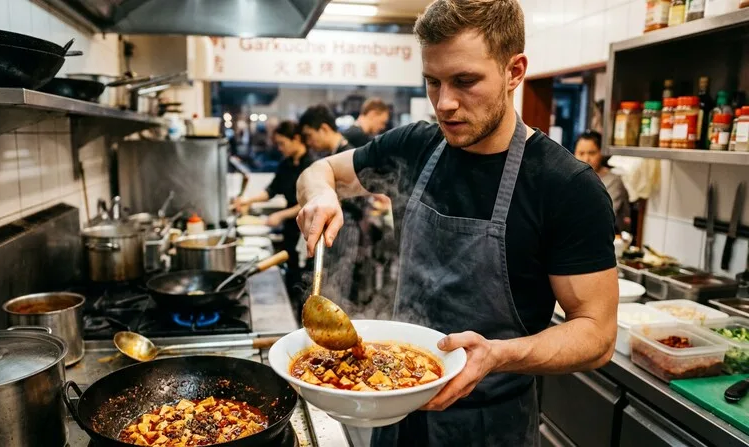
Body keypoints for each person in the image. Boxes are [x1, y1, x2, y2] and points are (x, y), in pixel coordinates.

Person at [295, 1, 618, 446]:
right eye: (433, 81)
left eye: (465, 81)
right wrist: (321, 194)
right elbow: (319, 171)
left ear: (514, 71)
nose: (445, 103)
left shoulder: (565, 186)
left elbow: (598, 334)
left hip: (491, 426)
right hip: (395, 406)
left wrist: (499, 355)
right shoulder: (414, 146)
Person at [232, 121, 314, 308]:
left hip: (308, 231)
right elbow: (272, 190)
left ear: (297, 139)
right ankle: (293, 310)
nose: (279, 148)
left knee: (305, 281)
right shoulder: (286, 164)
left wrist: (281, 215)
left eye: (282, 143)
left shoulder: (312, 165)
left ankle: (304, 316)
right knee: (291, 276)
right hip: (290, 230)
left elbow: (310, 202)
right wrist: (246, 201)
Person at [298, 104, 366, 310]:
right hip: (335, 230)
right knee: (327, 285)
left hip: (346, 229)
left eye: (310, 136)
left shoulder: (349, 153)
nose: (309, 143)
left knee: (337, 289)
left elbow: (360, 198)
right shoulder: (331, 156)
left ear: (325, 129)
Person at [574, 130, 631, 232]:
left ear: (601, 153)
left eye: (592, 153)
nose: (586, 159)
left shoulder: (614, 181)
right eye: (581, 153)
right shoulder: (573, 178)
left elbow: (603, 216)